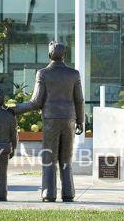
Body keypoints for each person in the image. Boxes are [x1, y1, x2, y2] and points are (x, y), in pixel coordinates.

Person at [12, 41, 85, 202]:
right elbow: (79, 100)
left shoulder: (43, 73)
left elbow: (35, 102)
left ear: (49, 55)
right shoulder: (74, 74)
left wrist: (14, 110)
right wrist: (80, 120)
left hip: (51, 120)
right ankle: (68, 192)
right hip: (69, 119)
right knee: (66, 158)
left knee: (49, 158)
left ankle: (48, 193)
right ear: (64, 55)